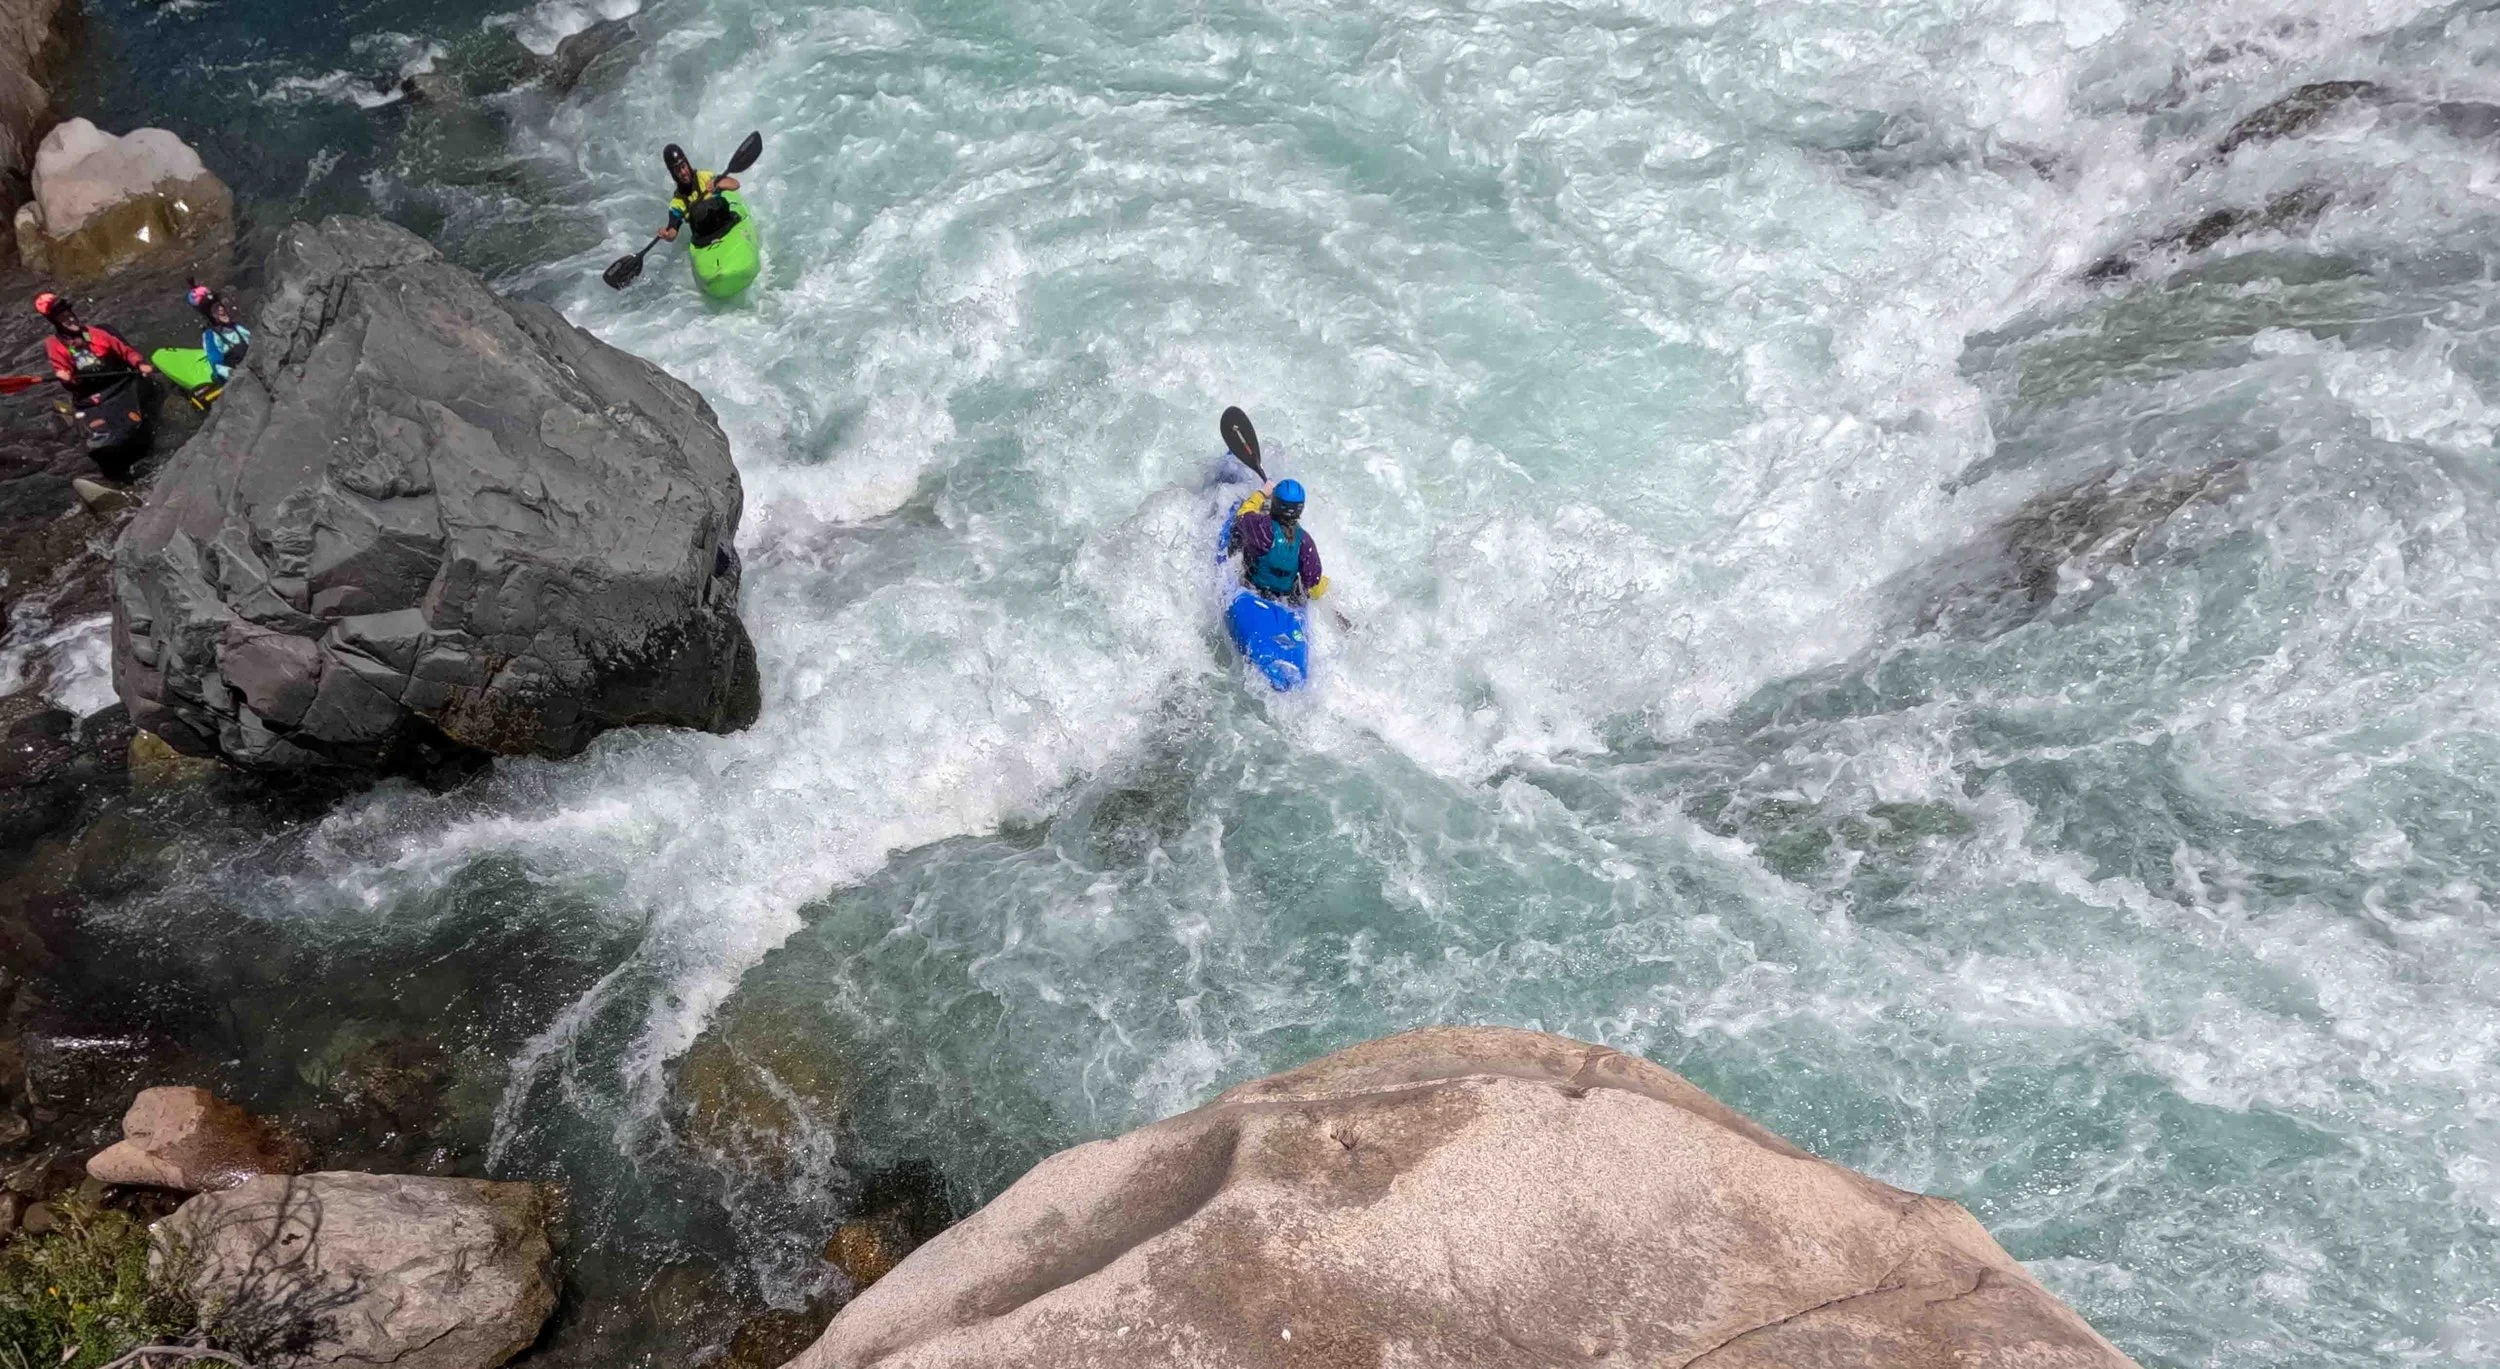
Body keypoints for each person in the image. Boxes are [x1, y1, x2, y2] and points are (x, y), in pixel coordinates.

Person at [1228, 477, 1329, 603]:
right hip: (1284, 600)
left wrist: (1262, 493)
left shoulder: (1261, 527)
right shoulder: (1305, 541)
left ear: (1274, 503)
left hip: (1251, 589)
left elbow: (1242, 515)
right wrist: (1326, 584)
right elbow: (1314, 588)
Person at [36, 292, 151, 402]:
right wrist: (66, 379)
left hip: (122, 382)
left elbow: (126, 352)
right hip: (93, 395)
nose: (70, 318)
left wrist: (139, 364)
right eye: (63, 317)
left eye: (69, 313)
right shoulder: (54, 345)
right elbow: (69, 380)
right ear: (55, 323)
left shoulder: (96, 333)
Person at [657, 143, 740, 246]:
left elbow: (735, 185)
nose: (683, 172)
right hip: (704, 241)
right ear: (673, 174)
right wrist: (666, 235)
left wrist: (716, 183)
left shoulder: (704, 177)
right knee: (698, 211)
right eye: (678, 170)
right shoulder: (677, 203)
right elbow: (672, 232)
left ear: (687, 164)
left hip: (727, 223)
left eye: (683, 166)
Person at [189, 283, 250, 384]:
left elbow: (252, 340)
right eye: (216, 309)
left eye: (220, 306)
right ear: (211, 316)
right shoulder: (211, 335)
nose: (221, 309)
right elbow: (216, 365)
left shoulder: (236, 327)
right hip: (235, 377)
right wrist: (233, 374)